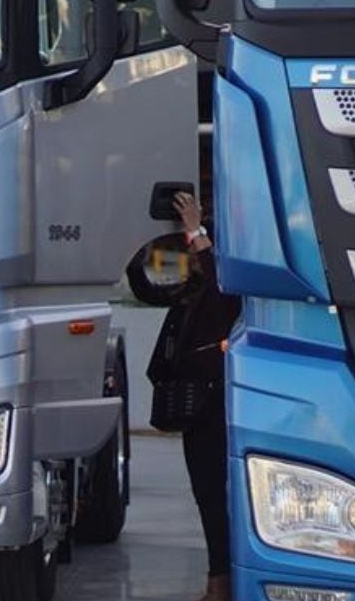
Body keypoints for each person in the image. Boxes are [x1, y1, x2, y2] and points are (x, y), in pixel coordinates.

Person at [130, 193, 242, 601]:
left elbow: (221, 285)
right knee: (207, 495)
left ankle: (221, 583)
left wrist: (197, 233)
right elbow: (143, 278)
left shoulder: (229, 279)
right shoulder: (191, 279)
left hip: (217, 404)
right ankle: (219, 580)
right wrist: (173, 240)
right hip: (197, 404)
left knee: (218, 496)